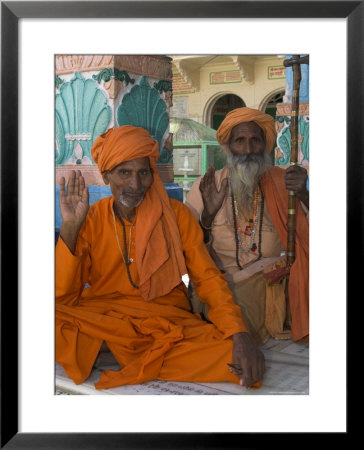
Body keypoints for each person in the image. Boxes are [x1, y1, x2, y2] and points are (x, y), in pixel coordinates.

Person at [56, 125, 265, 390]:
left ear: (152, 174)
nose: (135, 184)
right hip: (106, 316)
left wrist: (239, 333)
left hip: (166, 320)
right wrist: (70, 230)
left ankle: (114, 351)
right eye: (125, 173)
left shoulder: (176, 215)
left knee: (233, 359)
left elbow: (207, 278)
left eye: (143, 173)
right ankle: (128, 349)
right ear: (106, 175)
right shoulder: (92, 218)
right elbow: (63, 296)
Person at [185, 107, 309, 344]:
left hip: (267, 280)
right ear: (228, 147)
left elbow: (313, 237)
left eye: (255, 141)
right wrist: (208, 217)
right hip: (218, 283)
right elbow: (188, 249)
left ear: (265, 145)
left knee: (229, 333)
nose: (249, 150)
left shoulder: (282, 183)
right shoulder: (207, 186)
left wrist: (303, 194)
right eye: (240, 141)